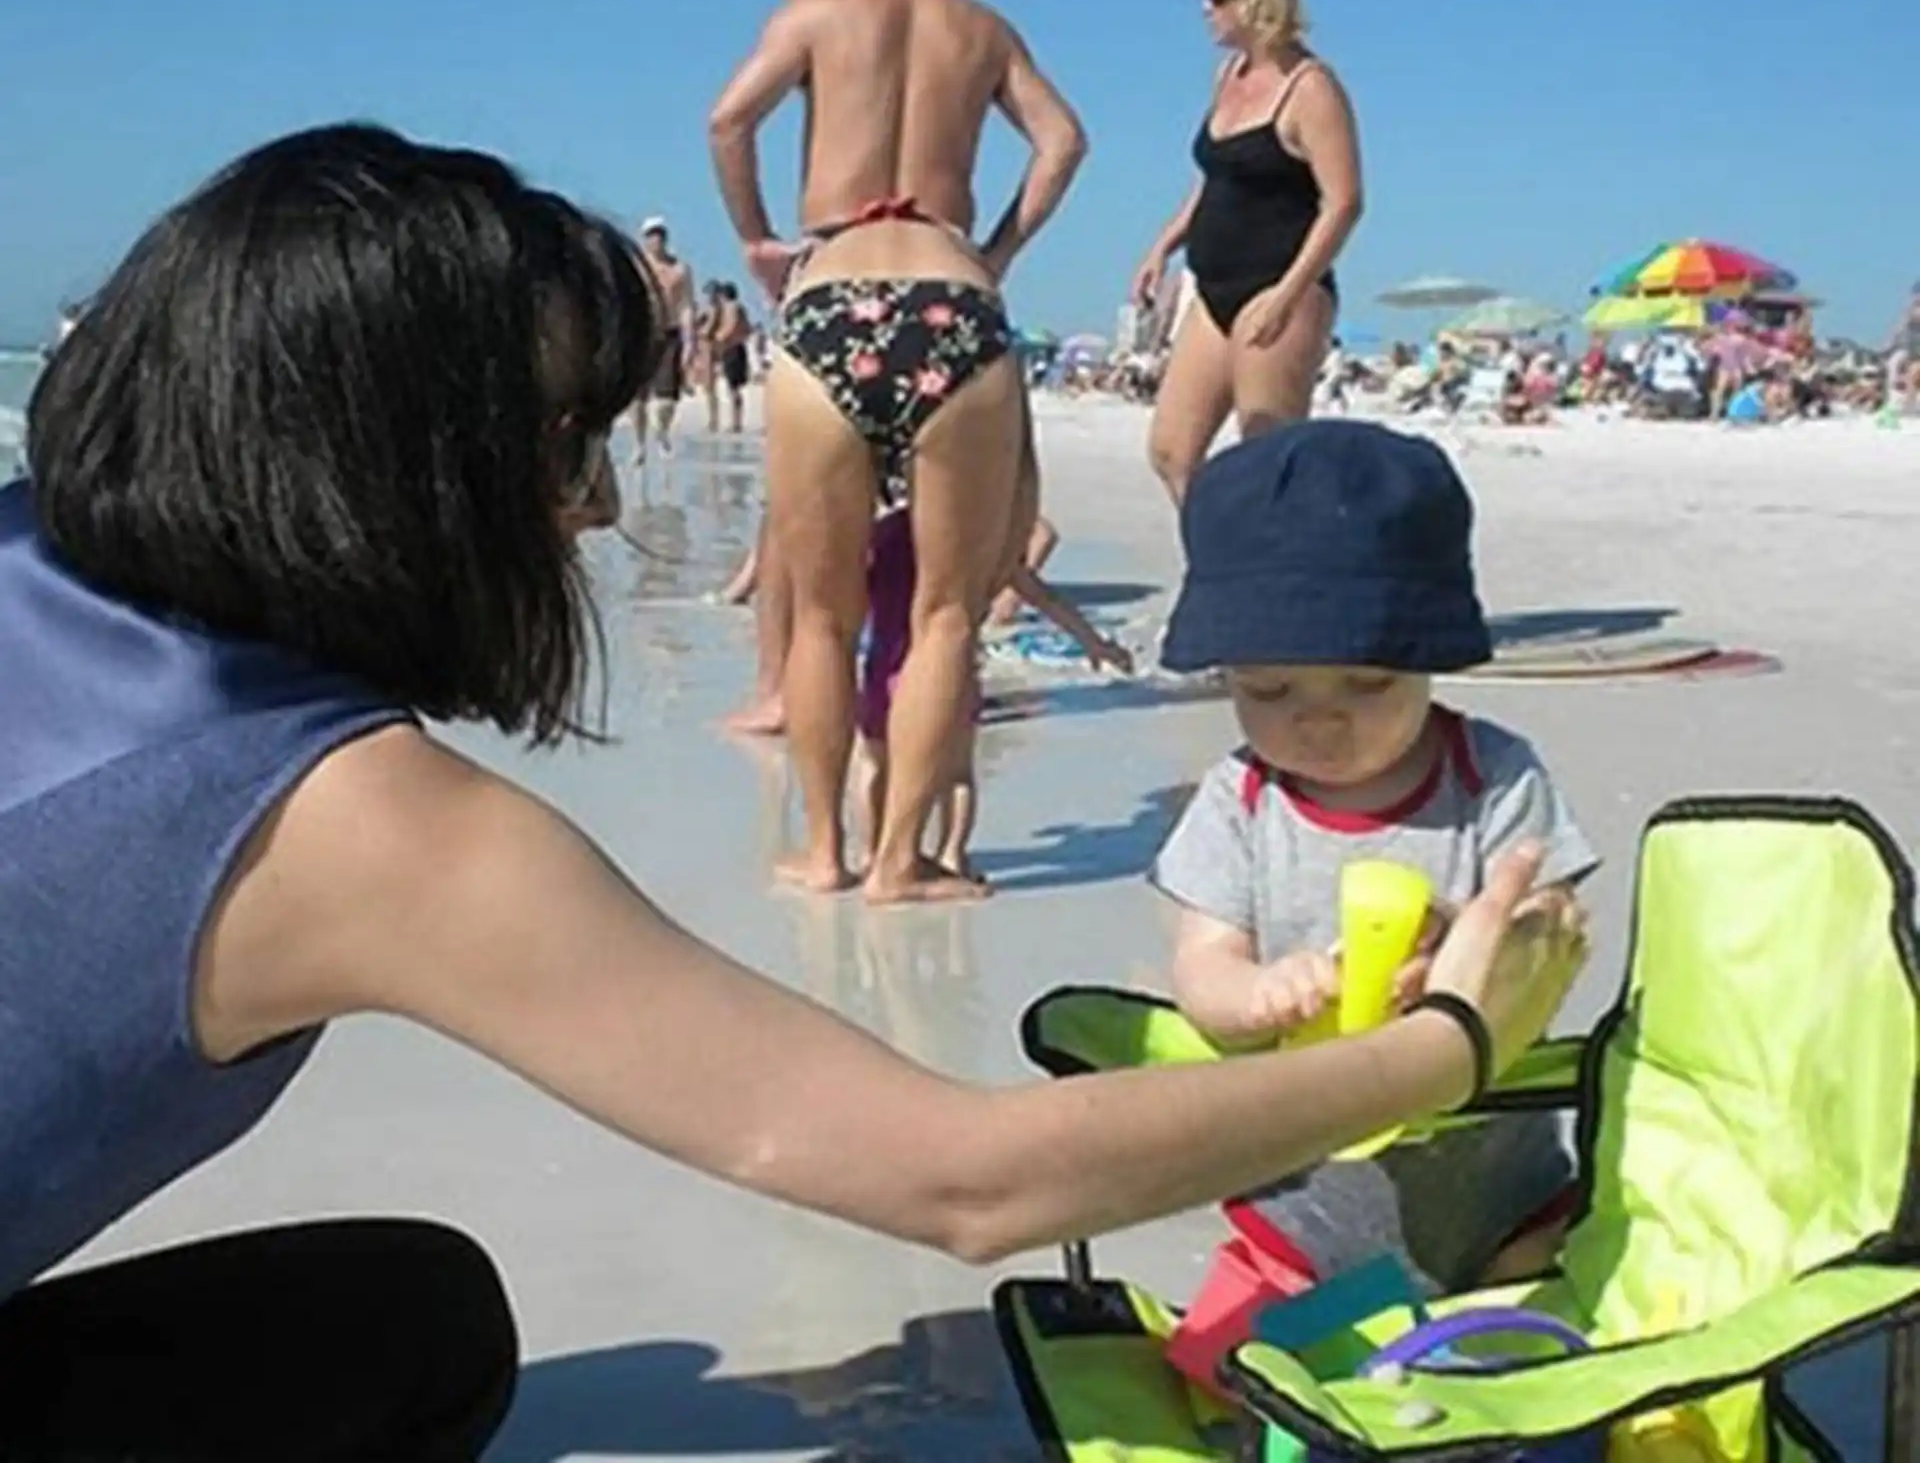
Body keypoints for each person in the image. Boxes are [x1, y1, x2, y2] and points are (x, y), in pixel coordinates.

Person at [0, 123, 1587, 1459]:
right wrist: (1446, 1044)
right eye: (559, 441)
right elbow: (970, 1177)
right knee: (413, 1339)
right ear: (388, 462)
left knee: (406, 1314)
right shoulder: (343, 822)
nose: (595, 503)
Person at [707, 0, 1089, 900]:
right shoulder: (982, 28)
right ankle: (902, 861)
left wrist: (756, 240)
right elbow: (1063, 142)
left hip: (832, 296)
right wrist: (994, 252)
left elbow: (729, 120)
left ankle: (824, 850)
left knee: (822, 615)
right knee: (946, 615)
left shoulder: (814, 11)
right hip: (954, 298)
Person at [1151, 419, 1597, 1294]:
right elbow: (1201, 966)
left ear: (1430, 657)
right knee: (1249, 1334)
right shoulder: (1240, 800)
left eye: (1368, 682)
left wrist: (1466, 937)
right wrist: (1257, 992)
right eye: (1269, 689)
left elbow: (1553, 933)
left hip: (1501, 1177)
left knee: (1545, 1295)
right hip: (1301, 1185)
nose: (1319, 717)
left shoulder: (1493, 775)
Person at [1132, 0, 1363, 503]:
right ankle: (1217, 554)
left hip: (1280, 285)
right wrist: (1163, 245)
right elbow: (1217, 178)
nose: (1204, 8)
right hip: (1213, 287)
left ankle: (1284, 560)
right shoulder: (1228, 75)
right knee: (1171, 452)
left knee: (1267, 459)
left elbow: (1344, 202)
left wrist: (1288, 294)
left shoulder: (1311, 89)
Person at [851, 505, 1132, 884]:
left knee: (874, 760)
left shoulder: (879, 535)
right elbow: (1040, 595)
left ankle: (872, 852)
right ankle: (952, 856)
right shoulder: (968, 536)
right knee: (956, 771)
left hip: (884, 665)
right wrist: (1094, 642)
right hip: (948, 670)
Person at [632, 215, 696, 459]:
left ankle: (661, 432)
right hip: (643, 331)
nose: (656, 240)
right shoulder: (637, 266)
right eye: (651, 235)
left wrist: (690, 342)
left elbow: (686, 306)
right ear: (644, 239)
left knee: (667, 398)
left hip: (670, 333)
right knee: (637, 397)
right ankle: (639, 444)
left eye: (659, 234)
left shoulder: (680, 269)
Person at [709, 280, 754, 433]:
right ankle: (737, 421)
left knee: (733, 388)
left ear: (724, 295)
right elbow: (747, 329)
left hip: (731, 348)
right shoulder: (740, 308)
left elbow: (731, 325)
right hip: (738, 347)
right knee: (735, 387)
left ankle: (736, 423)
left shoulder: (731, 307)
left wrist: (719, 337)